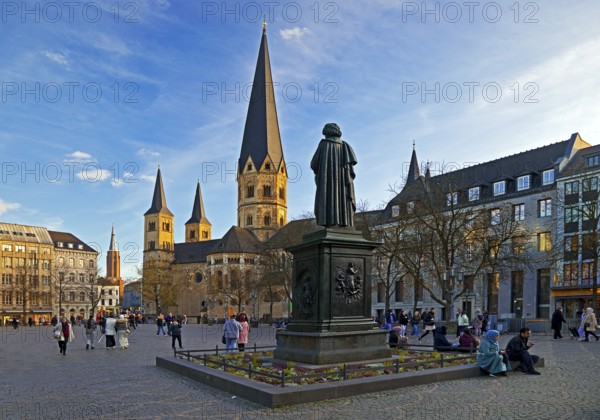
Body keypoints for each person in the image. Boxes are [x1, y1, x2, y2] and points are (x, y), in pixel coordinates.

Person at [310, 123, 357, 227]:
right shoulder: (345, 146)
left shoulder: (323, 145)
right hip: (343, 184)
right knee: (343, 198)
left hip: (327, 182)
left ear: (327, 133)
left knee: (328, 197)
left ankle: (329, 221)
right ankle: (345, 222)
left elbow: (314, 164)